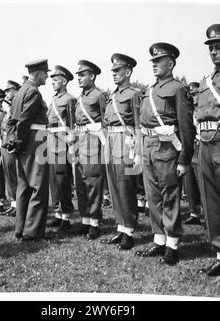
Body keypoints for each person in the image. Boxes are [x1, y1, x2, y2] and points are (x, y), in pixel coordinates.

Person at [135, 43, 195, 265]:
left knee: (170, 195)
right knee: (153, 196)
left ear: (170, 64)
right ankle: (159, 240)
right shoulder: (150, 90)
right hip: (148, 145)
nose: (154, 65)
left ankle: (172, 245)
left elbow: (186, 126)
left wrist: (184, 158)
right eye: (153, 61)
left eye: (158, 61)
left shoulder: (177, 88)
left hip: (167, 147)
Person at [195, 24, 220, 283]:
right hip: (205, 145)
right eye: (210, 48)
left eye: (218, 46)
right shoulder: (206, 81)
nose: (214, 52)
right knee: (211, 202)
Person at [101, 53, 141, 250]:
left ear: (128, 71)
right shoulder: (112, 97)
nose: (114, 74)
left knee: (126, 186)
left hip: (126, 142)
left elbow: (139, 124)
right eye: (113, 71)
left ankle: (130, 230)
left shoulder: (134, 94)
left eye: (118, 71)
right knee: (114, 185)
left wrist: (138, 150)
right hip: (111, 140)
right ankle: (121, 227)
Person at [7, 59, 50, 242]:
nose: (47, 76)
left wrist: (13, 142)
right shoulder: (33, 92)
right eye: (45, 73)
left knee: (23, 186)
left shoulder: (20, 92)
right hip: (34, 141)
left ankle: (20, 228)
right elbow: (24, 121)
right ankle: (32, 232)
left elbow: (12, 121)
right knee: (38, 187)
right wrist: (18, 141)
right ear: (38, 73)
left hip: (24, 142)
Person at [74, 60, 107, 240]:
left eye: (82, 75)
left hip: (93, 141)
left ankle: (94, 222)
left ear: (92, 76)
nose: (79, 78)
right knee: (80, 183)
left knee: (93, 181)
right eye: (78, 75)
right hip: (79, 141)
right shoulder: (79, 98)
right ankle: (85, 219)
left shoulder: (99, 95)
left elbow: (106, 121)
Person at [47, 65, 76, 233]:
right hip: (50, 142)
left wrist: (71, 144)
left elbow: (72, 124)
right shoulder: (53, 99)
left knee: (63, 180)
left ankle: (66, 216)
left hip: (62, 142)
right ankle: (58, 214)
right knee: (54, 181)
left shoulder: (69, 99)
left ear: (64, 81)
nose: (53, 83)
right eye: (52, 80)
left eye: (56, 80)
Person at [0, 80, 20, 217]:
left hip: (14, 146)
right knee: (9, 175)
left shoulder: (17, 109)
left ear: (15, 91)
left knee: (16, 175)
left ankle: (20, 204)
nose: (6, 94)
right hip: (5, 146)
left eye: (8, 91)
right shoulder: (5, 114)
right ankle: (14, 204)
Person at [183, 82, 203, 225]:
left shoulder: (204, 109)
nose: (193, 97)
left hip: (202, 145)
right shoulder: (187, 110)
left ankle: (209, 215)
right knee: (190, 183)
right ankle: (194, 212)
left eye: (195, 93)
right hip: (191, 148)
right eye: (190, 95)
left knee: (203, 181)